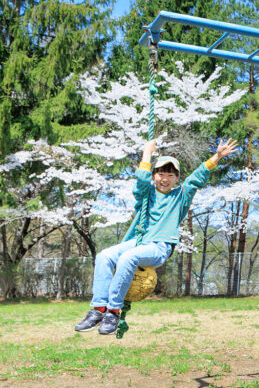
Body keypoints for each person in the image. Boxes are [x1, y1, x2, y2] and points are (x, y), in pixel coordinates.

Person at [74, 137, 239, 335]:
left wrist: (217, 157)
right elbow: (141, 183)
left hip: (160, 246)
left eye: (170, 174)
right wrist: (147, 153)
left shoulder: (181, 195)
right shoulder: (147, 194)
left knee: (128, 257)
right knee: (103, 256)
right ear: (154, 175)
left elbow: (198, 177)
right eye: (160, 173)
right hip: (139, 241)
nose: (164, 178)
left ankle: (113, 311)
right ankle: (98, 309)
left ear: (177, 178)